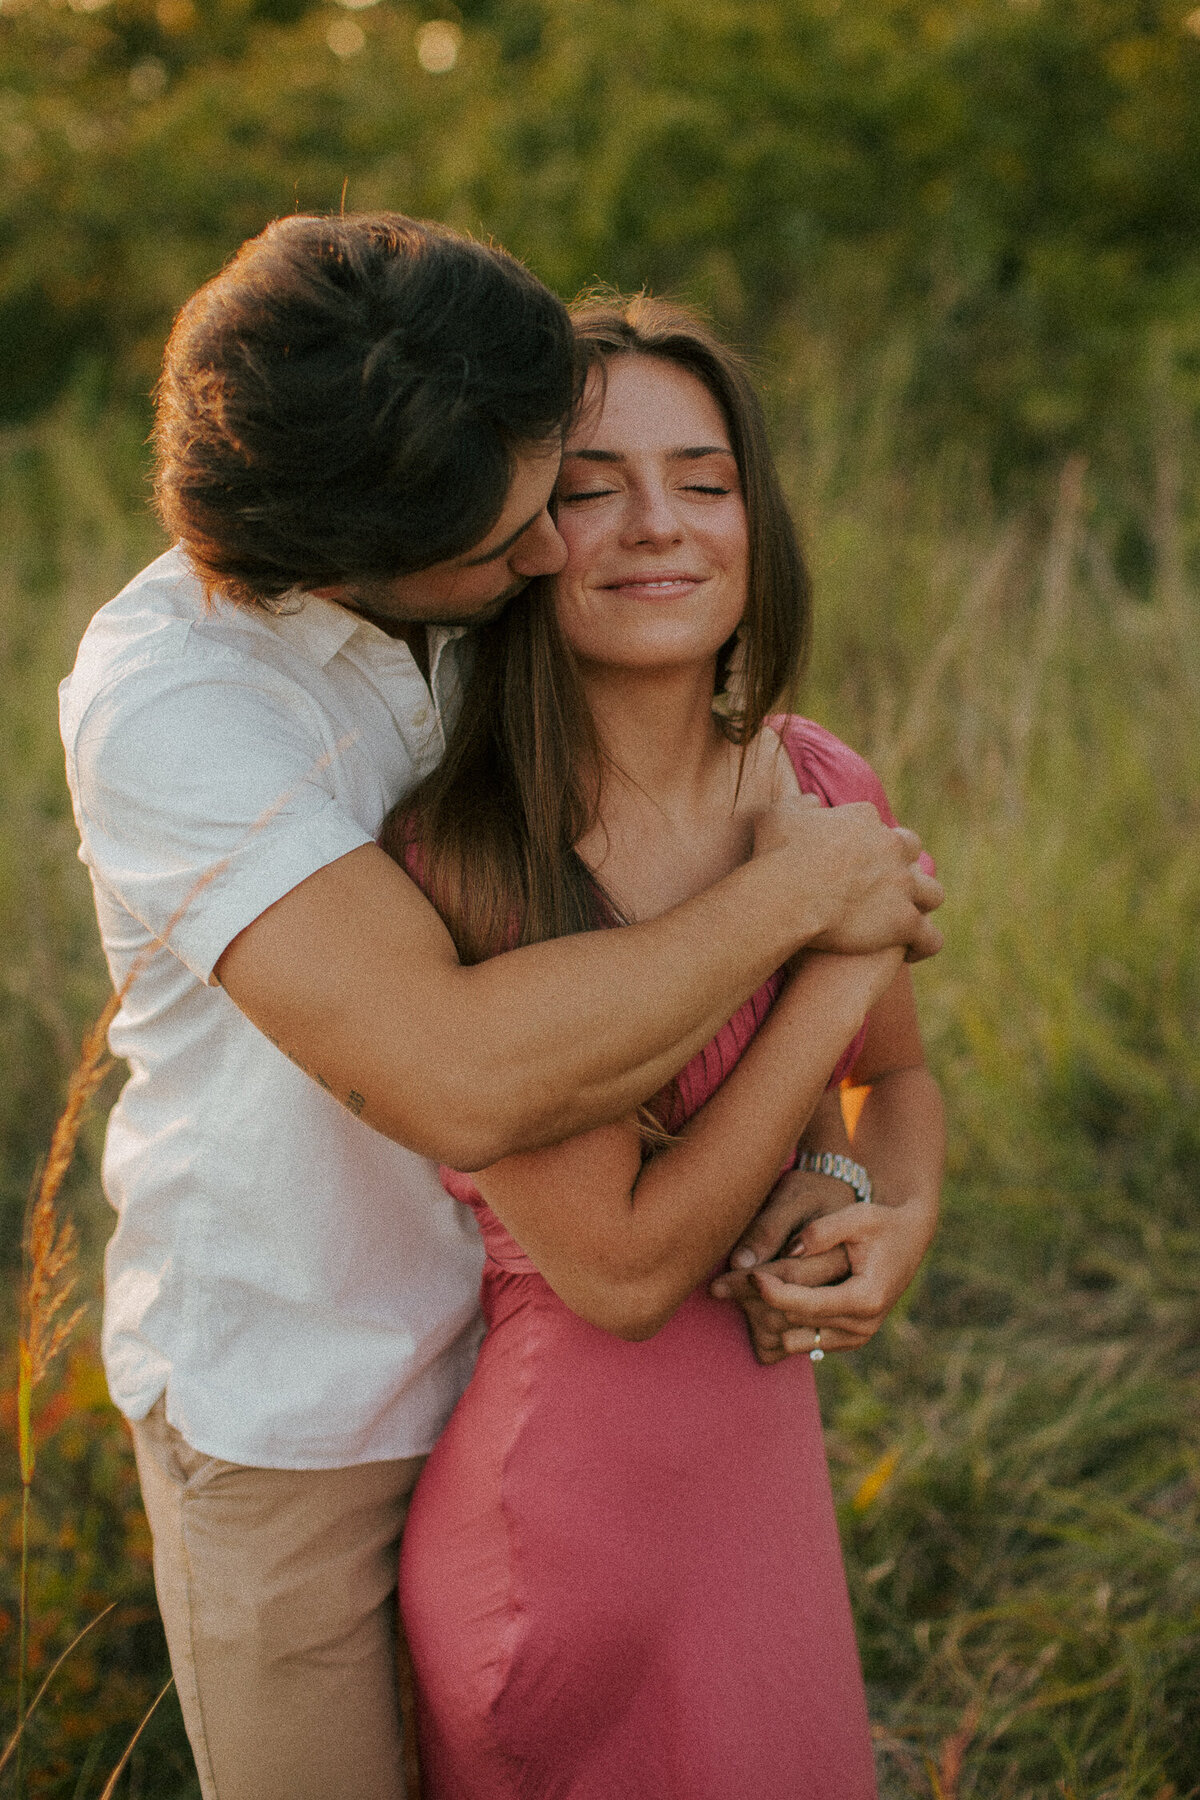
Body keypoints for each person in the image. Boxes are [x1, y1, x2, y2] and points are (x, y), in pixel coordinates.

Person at [59, 215, 942, 1800]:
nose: (555, 552)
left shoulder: (513, 632)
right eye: (536, 518)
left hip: (550, 1380)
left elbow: (855, 1080)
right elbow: (467, 1080)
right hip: (307, 1405)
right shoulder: (180, 710)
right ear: (353, 550)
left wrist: (861, 1166)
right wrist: (818, 921)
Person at [393, 297, 945, 1799]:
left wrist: (880, 1205)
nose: (660, 528)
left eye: (704, 481)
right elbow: (625, 1273)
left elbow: (893, 1087)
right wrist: (827, 956)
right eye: (591, 488)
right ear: (515, 534)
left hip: (761, 1510)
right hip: (575, 1540)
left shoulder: (820, 777)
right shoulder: (469, 858)